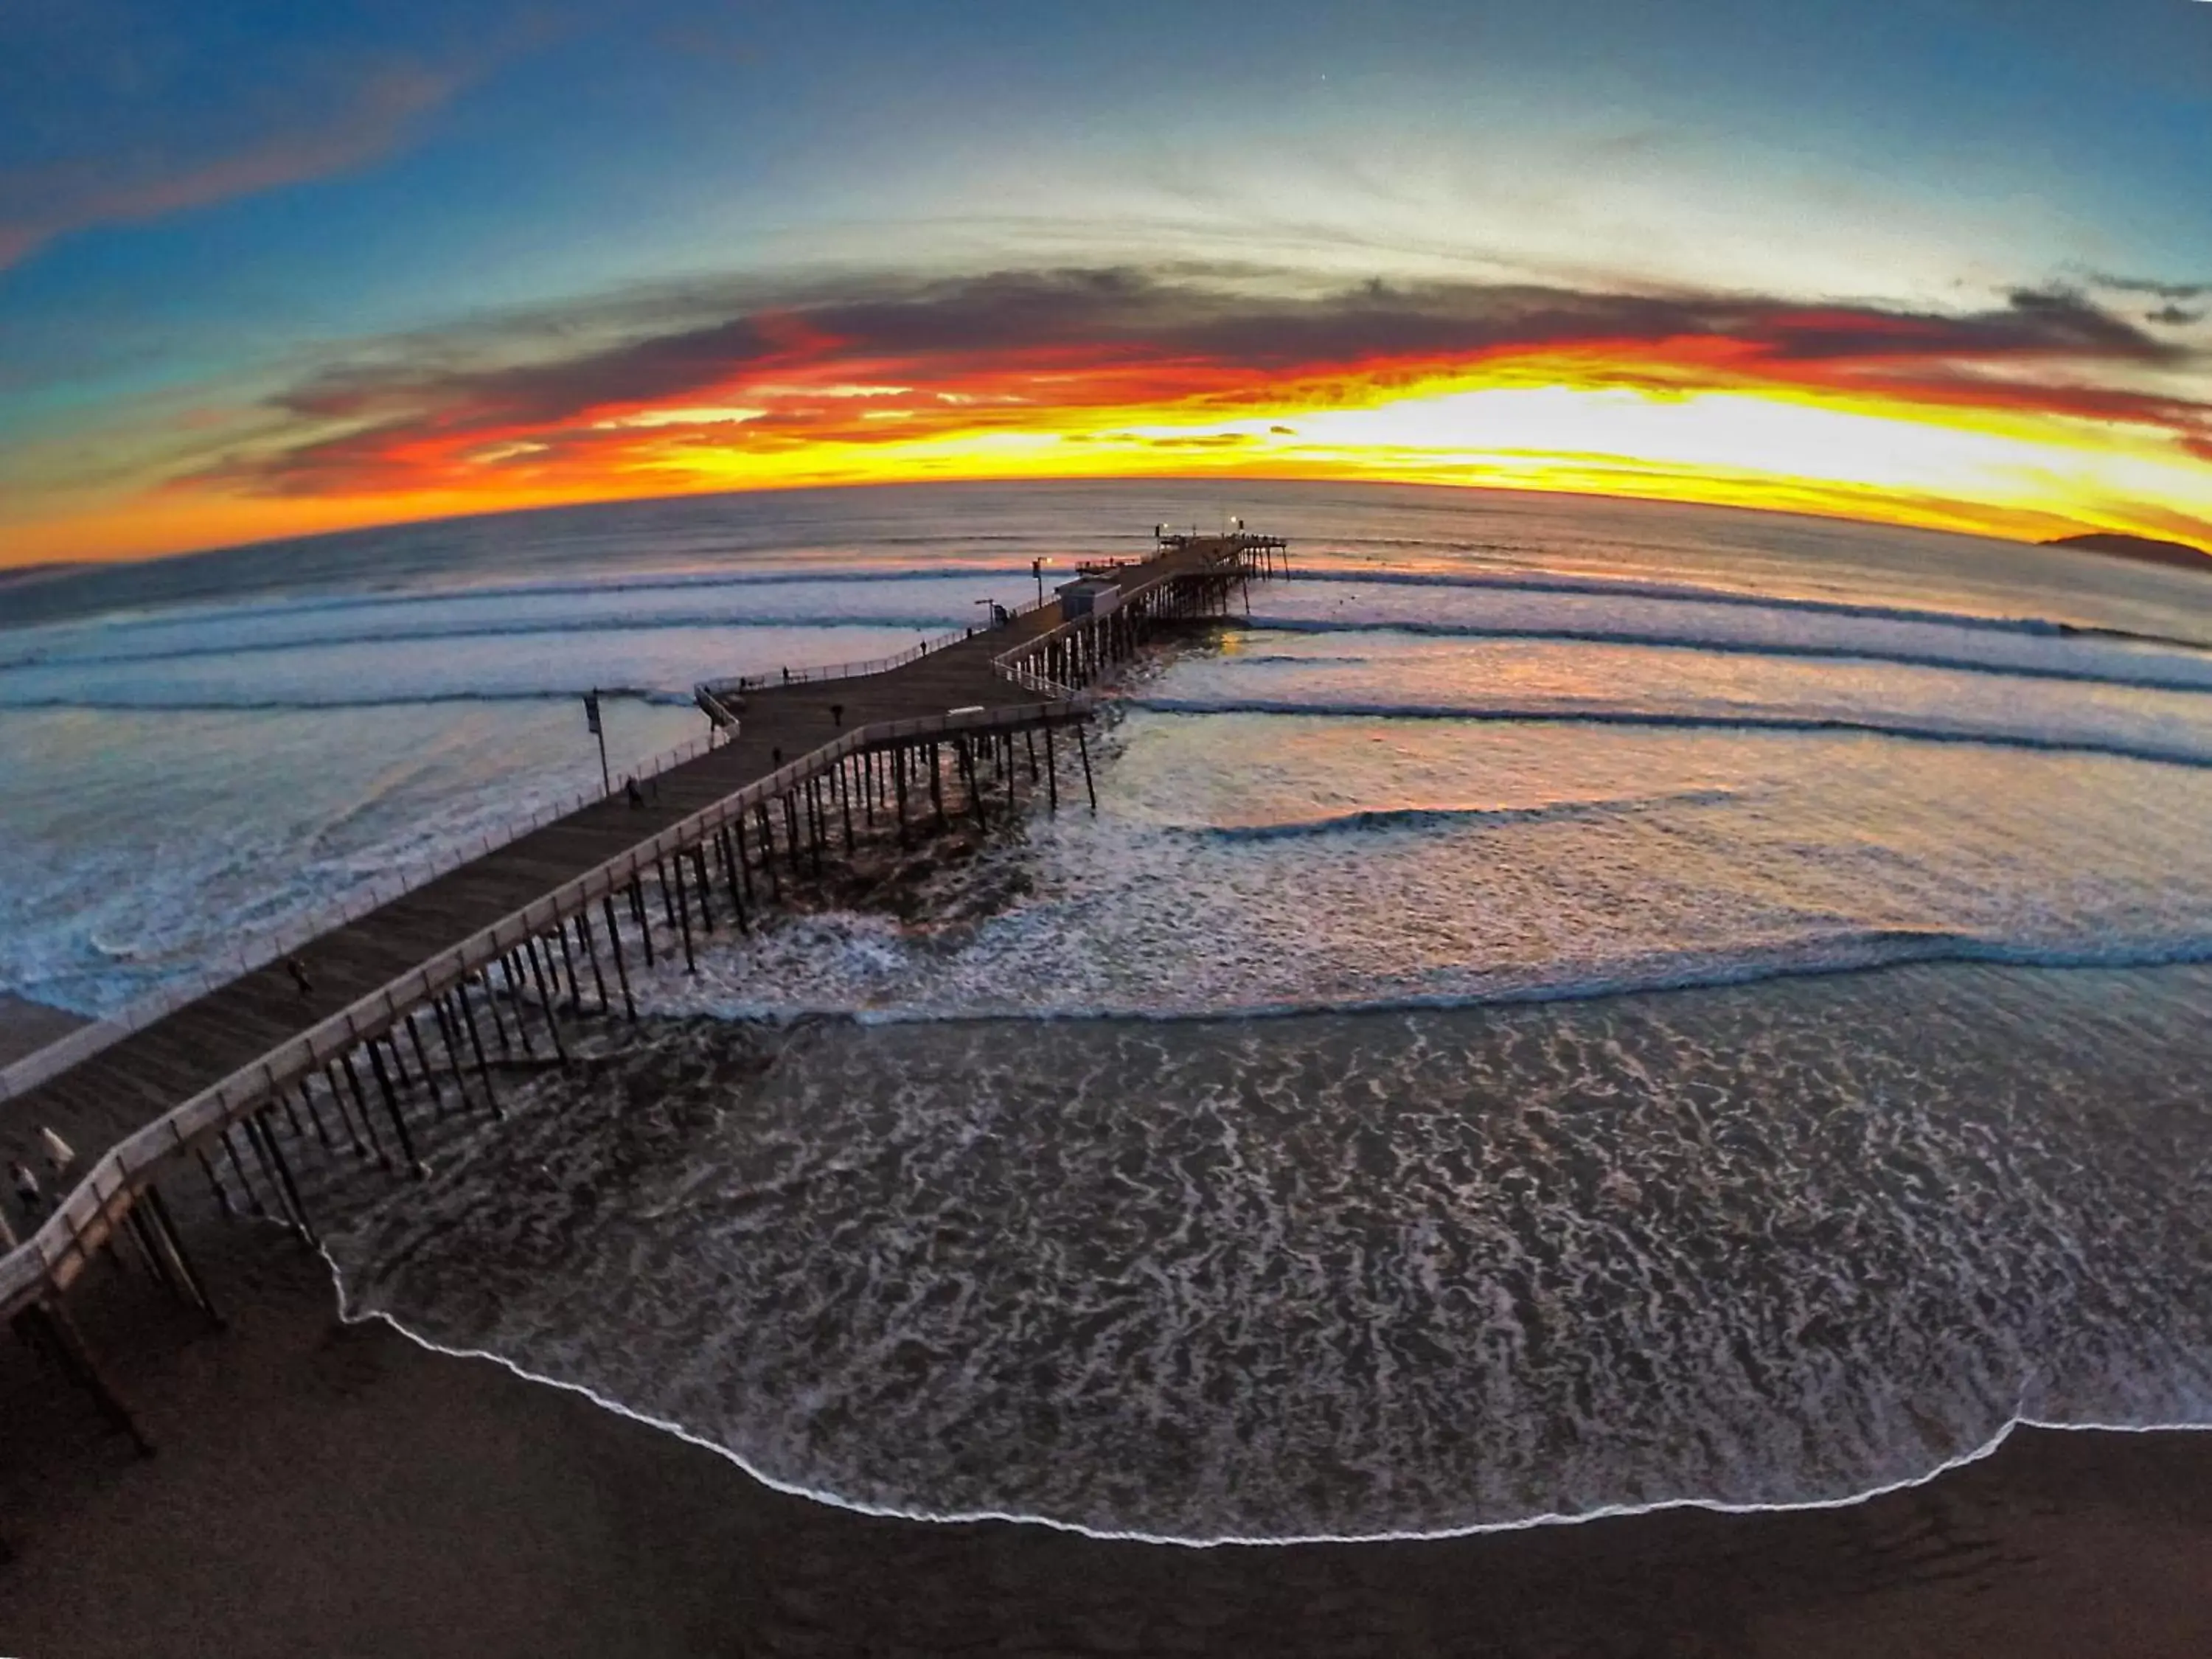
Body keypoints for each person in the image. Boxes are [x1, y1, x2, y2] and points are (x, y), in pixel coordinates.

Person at [10, 1160, 44, 1226]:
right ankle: (33, 1210)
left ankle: (38, 1212)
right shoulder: (22, 1173)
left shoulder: (25, 1176)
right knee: (33, 1201)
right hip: (27, 1189)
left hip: (29, 1190)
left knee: (35, 1201)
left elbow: (30, 1185)